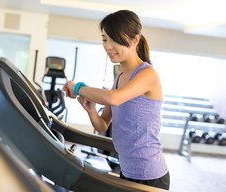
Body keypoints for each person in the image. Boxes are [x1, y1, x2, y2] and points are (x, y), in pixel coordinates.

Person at [63, 10, 170, 190]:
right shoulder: (119, 78)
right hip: (127, 171)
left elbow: (114, 99)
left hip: (150, 174)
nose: (108, 46)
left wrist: (78, 88)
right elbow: (102, 126)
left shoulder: (148, 74)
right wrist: (91, 111)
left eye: (115, 40)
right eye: (105, 39)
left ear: (135, 40)